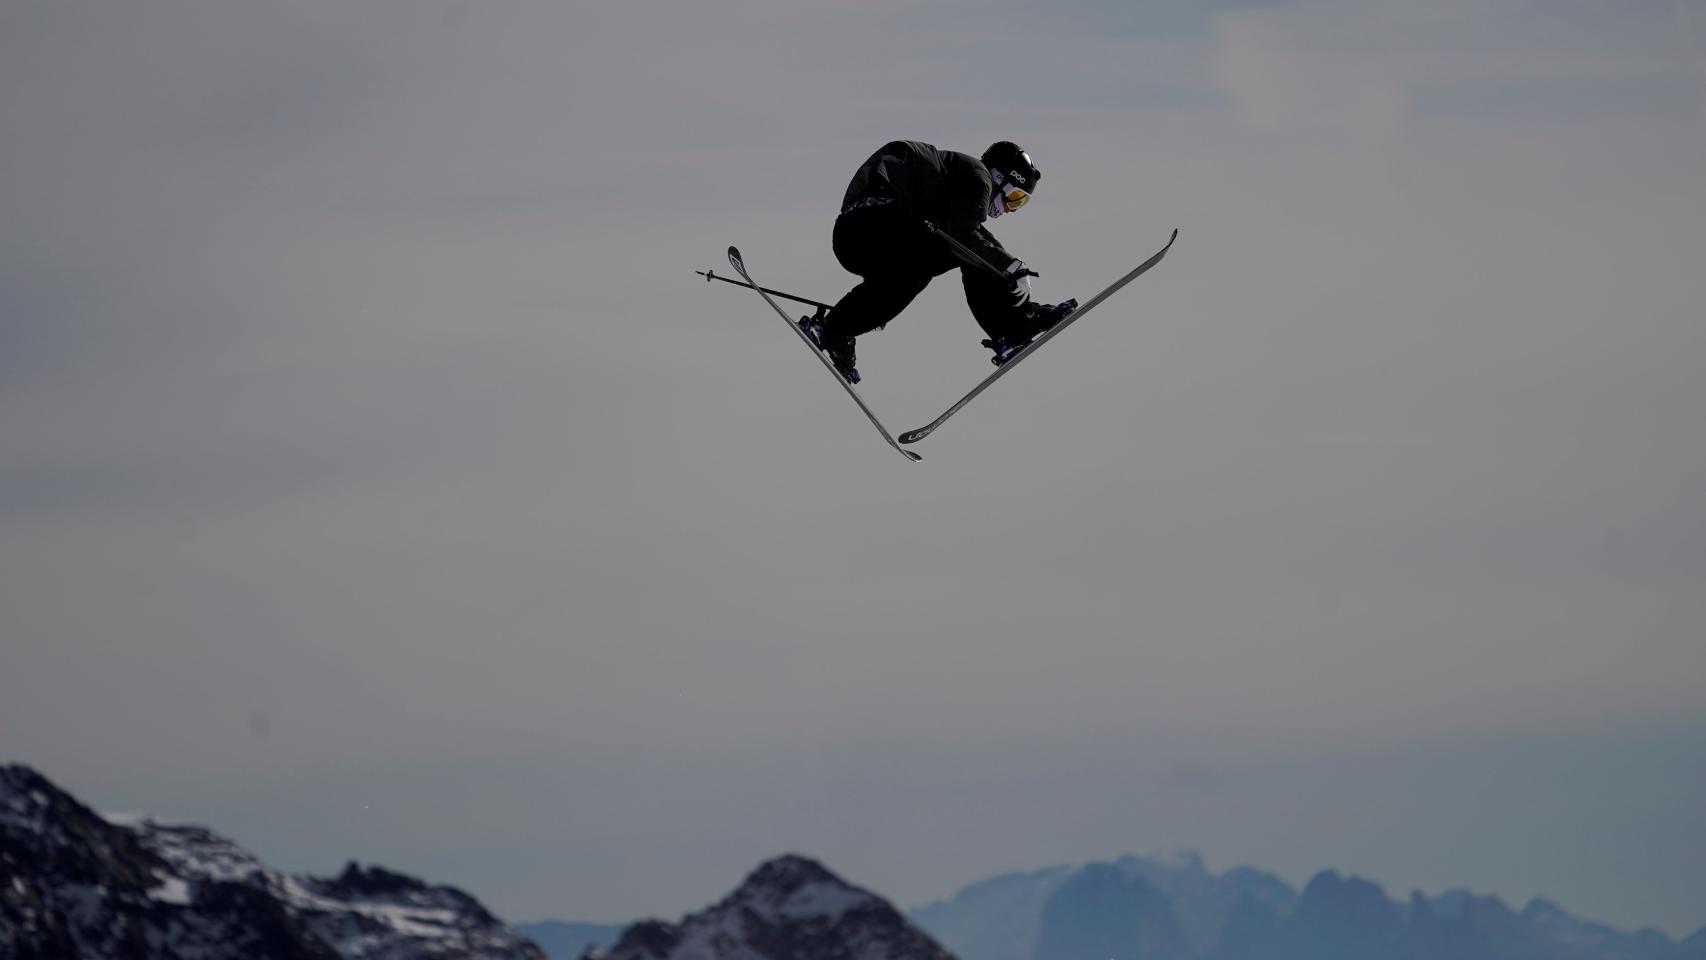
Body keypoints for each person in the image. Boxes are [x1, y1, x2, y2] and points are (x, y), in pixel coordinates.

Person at [799, 140, 1075, 383]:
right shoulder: (979, 177)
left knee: (908, 278)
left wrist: (1005, 265)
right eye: (1015, 197)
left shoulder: (955, 191)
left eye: (1020, 204)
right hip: (879, 221)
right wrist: (1010, 267)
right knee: (964, 248)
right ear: (999, 177)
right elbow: (965, 236)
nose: (1010, 209)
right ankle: (1011, 328)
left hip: (853, 239)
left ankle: (836, 328)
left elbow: (966, 234)